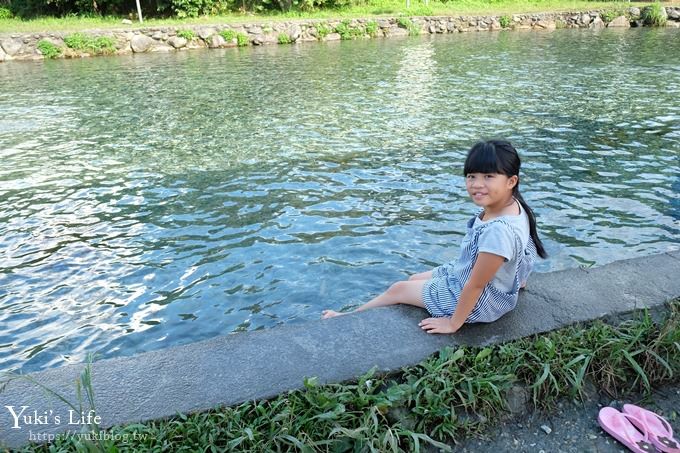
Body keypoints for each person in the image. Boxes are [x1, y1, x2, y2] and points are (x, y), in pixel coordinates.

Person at [321, 139, 548, 334]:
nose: (477, 185)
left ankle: (345, 318)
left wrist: (453, 323)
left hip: (481, 303)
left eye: (488, 176)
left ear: (511, 181)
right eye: (471, 176)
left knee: (398, 289)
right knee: (413, 279)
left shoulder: (498, 231)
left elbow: (476, 284)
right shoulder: (515, 207)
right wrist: (516, 281)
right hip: (483, 283)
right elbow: (525, 251)